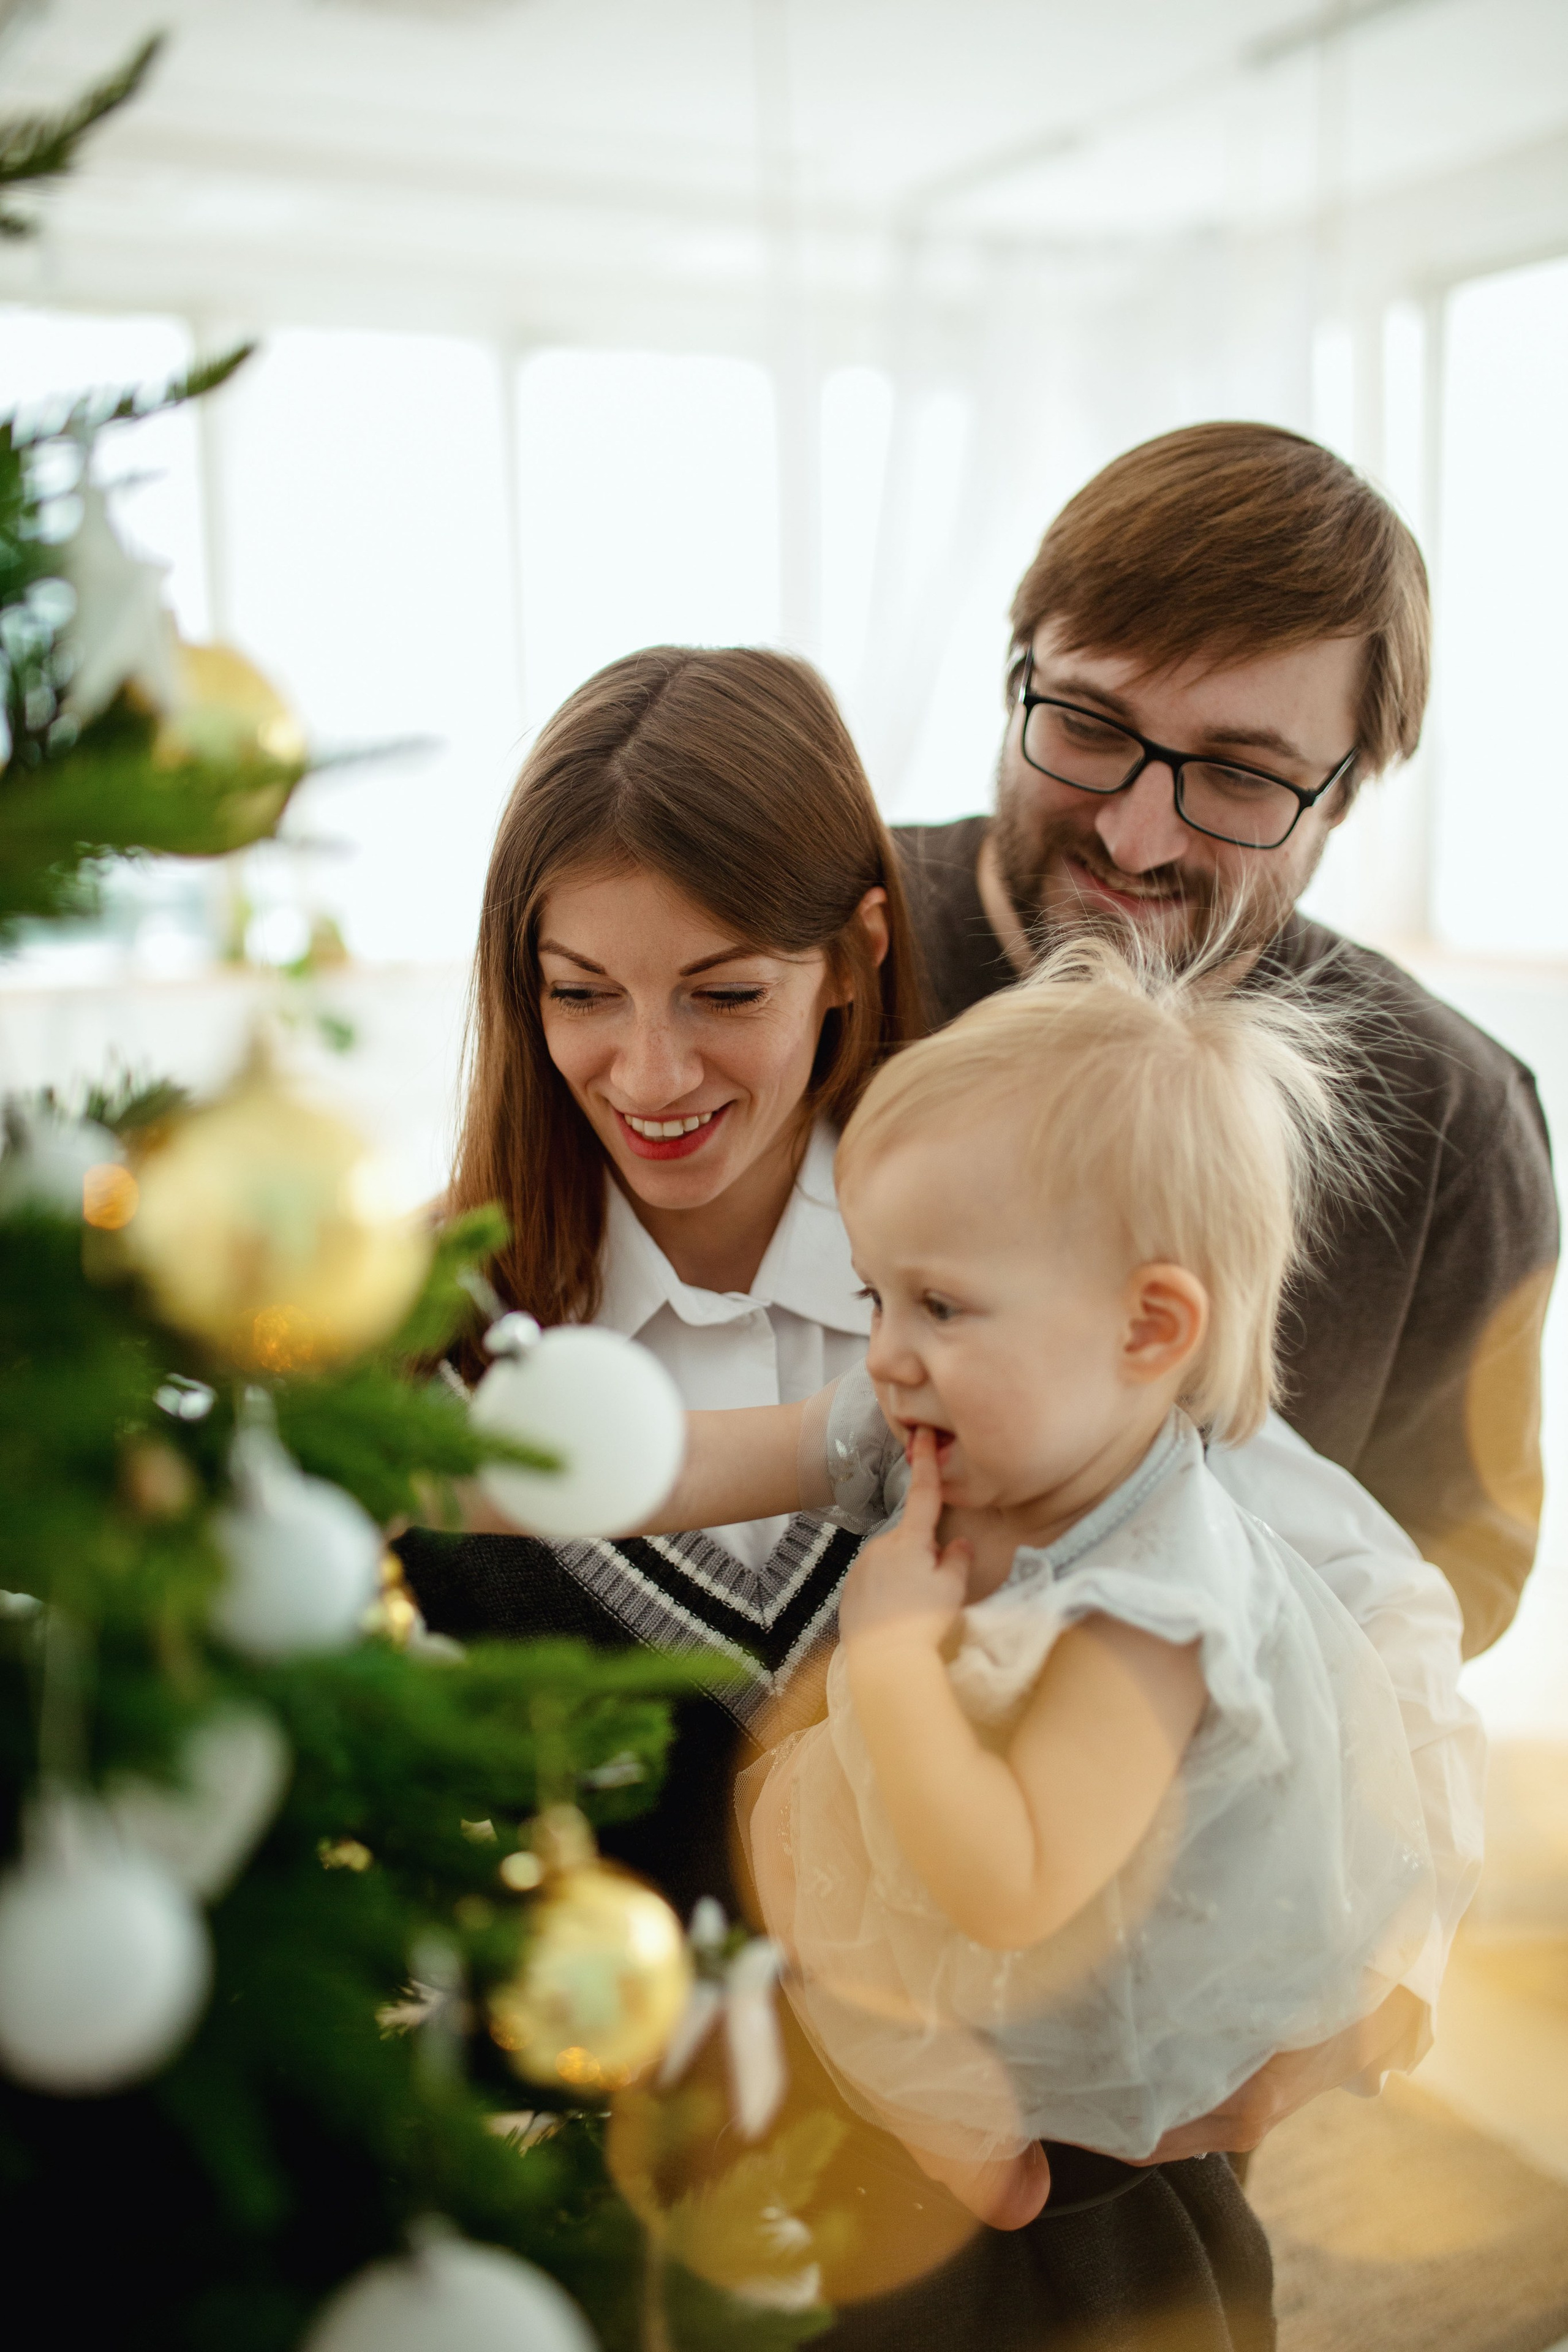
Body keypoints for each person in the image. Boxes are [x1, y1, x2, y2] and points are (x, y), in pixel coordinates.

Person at [397, 642, 1480, 2351]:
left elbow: (1368, 1599)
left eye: (725, 991)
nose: (651, 1072)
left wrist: (1363, 2002)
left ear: (855, 956)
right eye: (578, 990)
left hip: (1082, 2272)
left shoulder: (1035, 1266)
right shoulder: (416, 1351)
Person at [639, 943, 1442, 2241]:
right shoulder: (978, 1427)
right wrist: (474, 1468)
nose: (883, 1353)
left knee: (834, 1908)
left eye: (940, 1306)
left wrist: (888, 1661)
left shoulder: (1150, 1615)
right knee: (804, 1841)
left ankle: (983, 2155)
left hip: (1111, 1933)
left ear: (1145, 1331)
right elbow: (705, 1461)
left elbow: (1008, 1890)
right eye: (874, 1296)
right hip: (983, 1804)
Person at [892, 421, 1558, 1676]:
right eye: (1086, 725)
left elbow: (1460, 1558)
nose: (1138, 837)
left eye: (1239, 777)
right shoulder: (785, 953)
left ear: (1344, 795)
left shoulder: (1454, 1127)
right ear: (1011, 676)